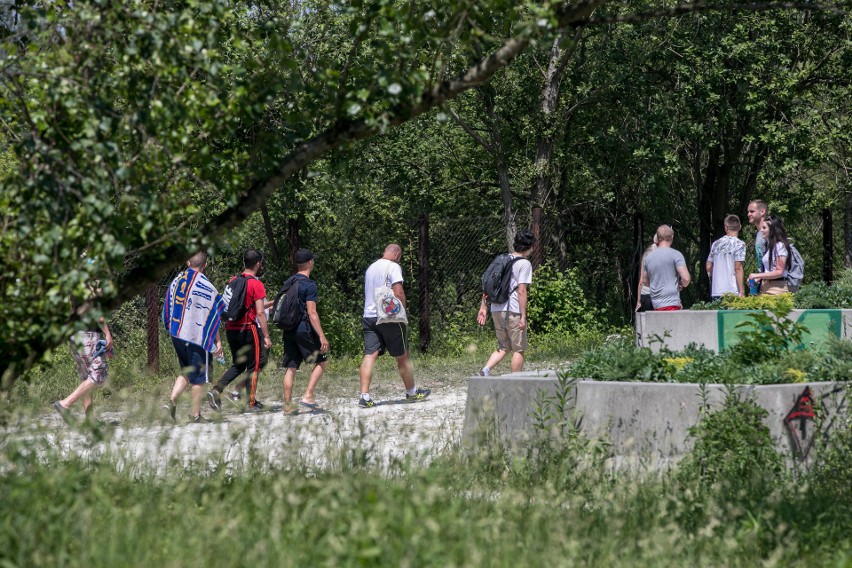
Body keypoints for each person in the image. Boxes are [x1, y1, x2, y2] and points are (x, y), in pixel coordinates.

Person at [358, 243, 430, 408]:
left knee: (370, 354)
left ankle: (364, 396)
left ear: (385, 252)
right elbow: (398, 292)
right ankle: (411, 392)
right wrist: (402, 312)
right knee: (402, 354)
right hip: (389, 316)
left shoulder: (371, 267)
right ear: (397, 255)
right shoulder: (393, 266)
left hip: (369, 315)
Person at [162, 252, 225, 423]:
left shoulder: (176, 280)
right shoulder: (208, 287)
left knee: (186, 371)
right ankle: (195, 415)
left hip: (177, 334)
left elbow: (167, 305)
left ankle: (171, 404)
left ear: (188, 263)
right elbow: (212, 317)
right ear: (204, 266)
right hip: (196, 337)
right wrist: (217, 340)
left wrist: (171, 327)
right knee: (199, 377)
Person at [208, 249, 272, 413]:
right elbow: (259, 312)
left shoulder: (234, 280)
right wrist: (265, 336)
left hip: (231, 328)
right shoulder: (256, 284)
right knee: (254, 366)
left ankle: (216, 390)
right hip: (248, 329)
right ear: (258, 263)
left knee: (238, 365)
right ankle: (251, 403)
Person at [476, 229, 536, 376]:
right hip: (513, 309)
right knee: (518, 348)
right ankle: (515, 381)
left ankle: (485, 370)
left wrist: (483, 306)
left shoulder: (502, 258)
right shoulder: (524, 263)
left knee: (504, 346)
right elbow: (521, 291)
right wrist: (523, 316)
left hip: (496, 308)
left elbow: (488, 283)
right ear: (529, 246)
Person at [280, 248, 329, 415]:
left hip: (288, 329)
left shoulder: (289, 281)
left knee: (291, 367)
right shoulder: (309, 284)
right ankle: (308, 395)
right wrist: (321, 335)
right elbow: (312, 312)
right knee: (322, 361)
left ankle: (287, 406)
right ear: (310, 263)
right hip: (304, 329)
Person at [54, 313, 112, 426]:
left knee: (86, 377)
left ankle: (90, 420)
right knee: (99, 373)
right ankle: (65, 403)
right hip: (88, 335)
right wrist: (107, 333)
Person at [642, 225, 691, 310]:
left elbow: (645, 281)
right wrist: (680, 284)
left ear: (658, 238)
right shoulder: (676, 255)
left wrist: (656, 285)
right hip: (672, 303)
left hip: (655, 304)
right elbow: (686, 279)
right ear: (672, 237)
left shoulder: (648, 257)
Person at [747, 215, 792, 296]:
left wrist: (757, 275)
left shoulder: (780, 246)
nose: (761, 230)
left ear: (772, 230)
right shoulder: (770, 246)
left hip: (777, 289)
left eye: (764, 228)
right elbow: (770, 270)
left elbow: (779, 272)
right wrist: (759, 278)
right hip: (767, 287)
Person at [706, 215, 746, 299]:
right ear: (740, 227)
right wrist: (741, 291)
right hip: (732, 291)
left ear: (725, 228)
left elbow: (708, 266)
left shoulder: (716, 244)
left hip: (716, 290)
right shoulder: (740, 244)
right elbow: (737, 268)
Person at [636, 234, 657, 312]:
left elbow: (641, 281)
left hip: (645, 295)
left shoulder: (646, 254)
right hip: (658, 297)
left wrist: (638, 301)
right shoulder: (663, 254)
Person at [747, 200, 769, 274]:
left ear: (762, 212)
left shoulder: (769, 232)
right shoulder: (759, 233)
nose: (748, 214)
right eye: (748, 212)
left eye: (752, 211)